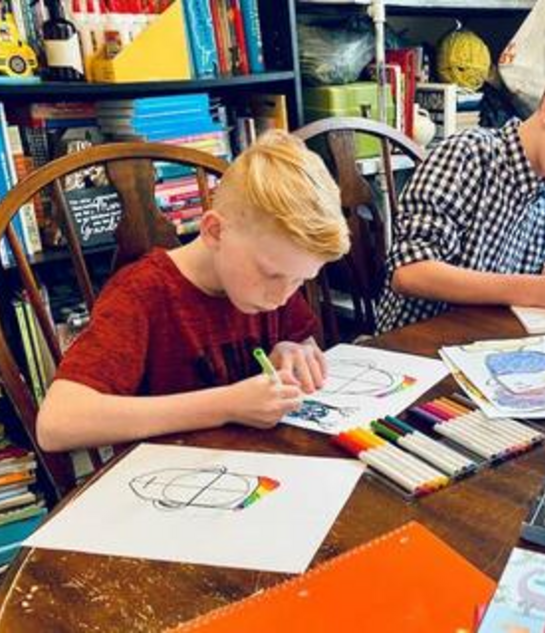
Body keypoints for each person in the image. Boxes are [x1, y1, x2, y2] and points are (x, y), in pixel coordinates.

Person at [36, 130, 350, 451]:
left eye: (300, 280)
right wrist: (227, 404)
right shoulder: (140, 294)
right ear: (215, 232)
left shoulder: (272, 276)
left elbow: (301, 341)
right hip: (166, 481)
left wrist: (294, 349)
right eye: (272, 274)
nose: (282, 296)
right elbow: (57, 423)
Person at [376, 49, 545, 333]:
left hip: (482, 345)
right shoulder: (468, 155)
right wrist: (537, 289)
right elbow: (409, 273)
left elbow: (517, 285)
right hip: (413, 349)